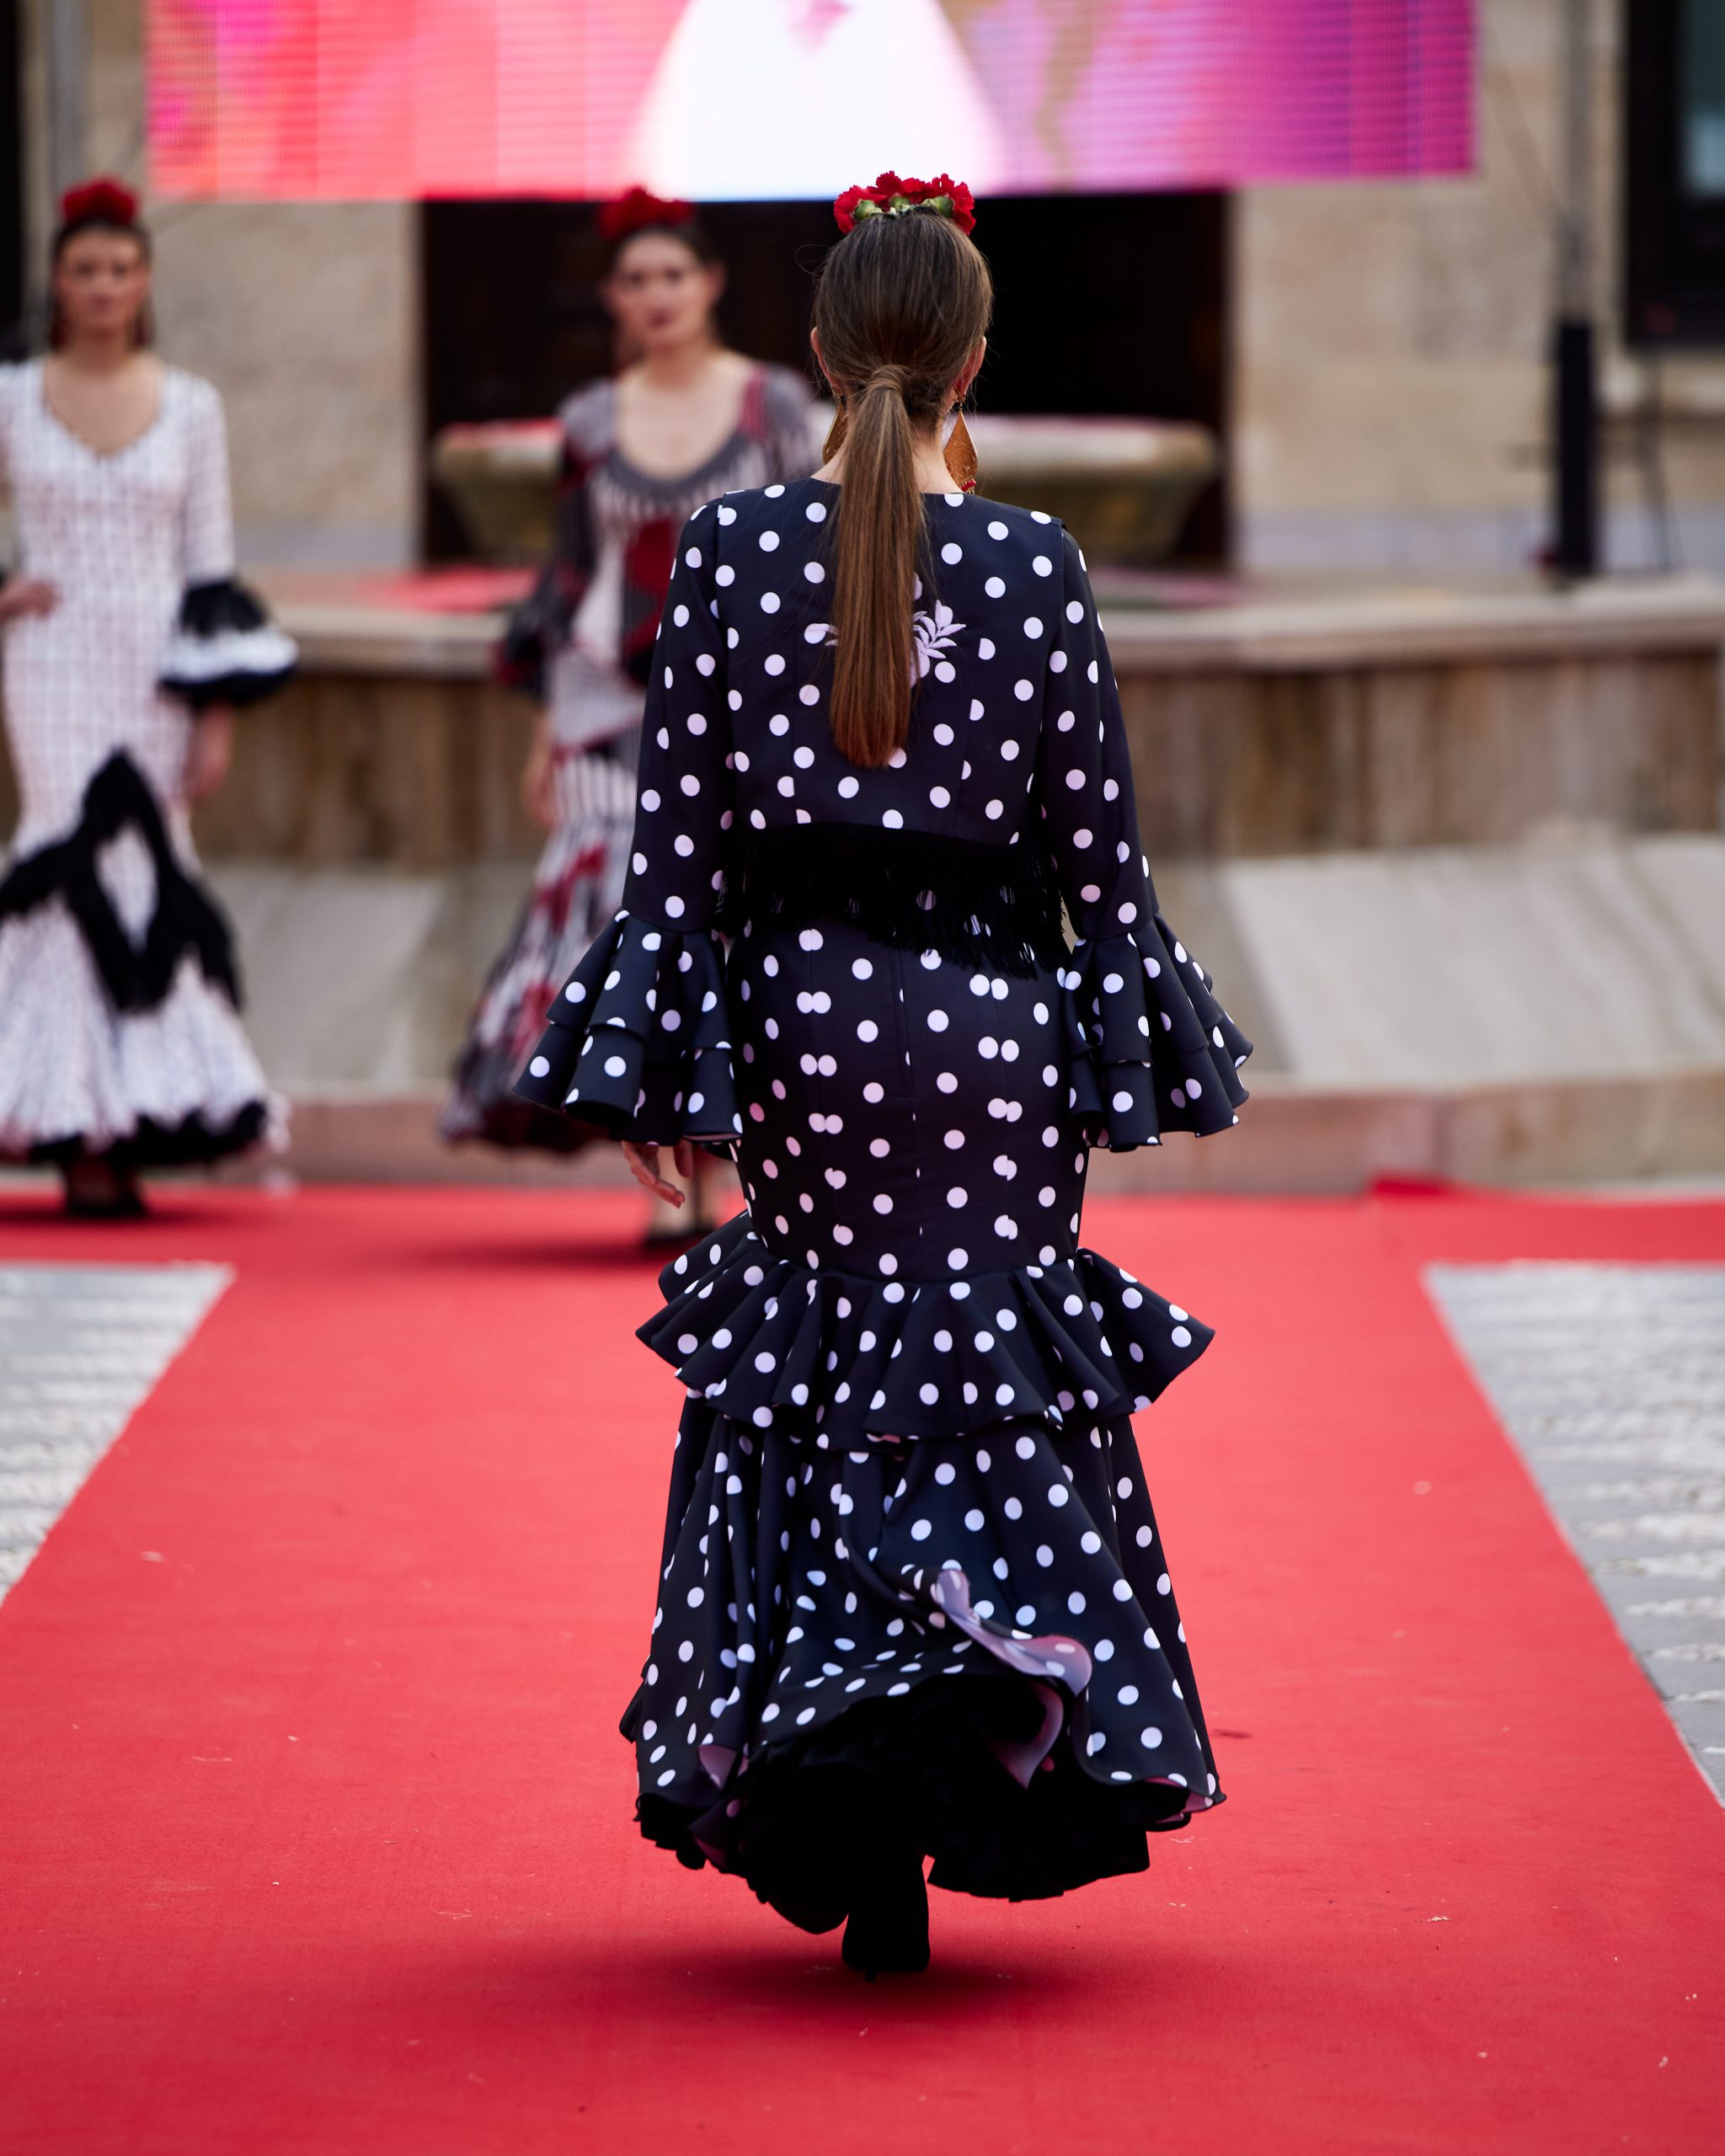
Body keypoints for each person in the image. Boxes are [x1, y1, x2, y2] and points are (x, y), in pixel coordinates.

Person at [515, 175, 1252, 1976]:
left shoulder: (736, 556)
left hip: (806, 1033)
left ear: (823, 357)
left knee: (820, 1370)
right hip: (994, 1042)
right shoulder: (1033, 566)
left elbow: (676, 859)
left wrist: (650, 1080)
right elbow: (1101, 869)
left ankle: (836, 1773)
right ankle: (970, 1733)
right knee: (989, 1378)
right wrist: (1124, 1058)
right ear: (971, 359)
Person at [441, 187, 820, 1242]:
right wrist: (542, 734)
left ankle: (731, 1175)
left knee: (734, 922)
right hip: (607, 712)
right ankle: (657, 1175)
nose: (656, 296)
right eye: (636, 280)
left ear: (711, 284)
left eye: (673, 276)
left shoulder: (776, 406)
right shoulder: (589, 421)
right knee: (621, 924)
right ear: (611, 295)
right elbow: (566, 581)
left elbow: (809, 566)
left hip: (744, 710)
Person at [0, 179, 294, 1218]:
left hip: (157, 670)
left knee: (152, 861)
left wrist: (213, 715)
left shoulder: (192, 405)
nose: (103, 286)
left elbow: (211, 567)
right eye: (84, 268)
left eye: (122, 268)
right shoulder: (10, 396)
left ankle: (142, 1112)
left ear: (146, 280)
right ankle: (71, 1121)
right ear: (57, 280)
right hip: (48, 661)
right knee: (64, 851)